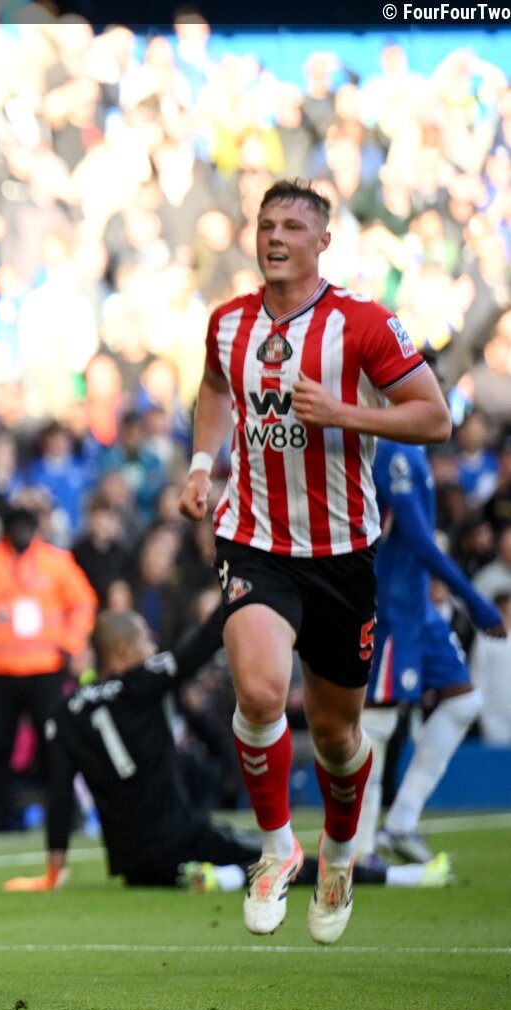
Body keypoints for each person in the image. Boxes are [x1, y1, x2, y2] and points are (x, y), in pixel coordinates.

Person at [179, 177, 451, 943]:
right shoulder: (227, 323)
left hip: (341, 551)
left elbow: (433, 416)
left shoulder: (361, 323)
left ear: (322, 241)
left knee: (335, 736)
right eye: (266, 224)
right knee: (260, 693)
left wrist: (344, 413)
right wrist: (201, 465)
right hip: (253, 539)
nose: (274, 237)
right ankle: (276, 850)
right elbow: (213, 390)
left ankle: (337, 850)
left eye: (292, 226)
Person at [1, 611, 453, 893]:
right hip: (179, 836)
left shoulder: (64, 714)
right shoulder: (141, 683)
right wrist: (241, 596)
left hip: (133, 865)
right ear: (123, 650)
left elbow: (60, 793)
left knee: (239, 854)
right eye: (144, 638)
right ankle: (404, 877)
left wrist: (54, 871)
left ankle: (218, 876)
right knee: (282, 858)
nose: (152, 645)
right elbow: (198, 649)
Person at [358, 436, 506, 864]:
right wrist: (474, 601)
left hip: (418, 606)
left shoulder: (413, 448)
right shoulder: (393, 449)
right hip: (391, 607)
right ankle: (359, 848)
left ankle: (401, 822)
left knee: (463, 701)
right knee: (378, 721)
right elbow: (419, 540)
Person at [0, 502, 96, 833]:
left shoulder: (57, 562)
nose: (21, 534)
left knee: (53, 743)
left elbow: (83, 602)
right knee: (1, 744)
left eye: (27, 528)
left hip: (46, 666)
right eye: (16, 528)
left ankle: (66, 813)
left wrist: (69, 645)